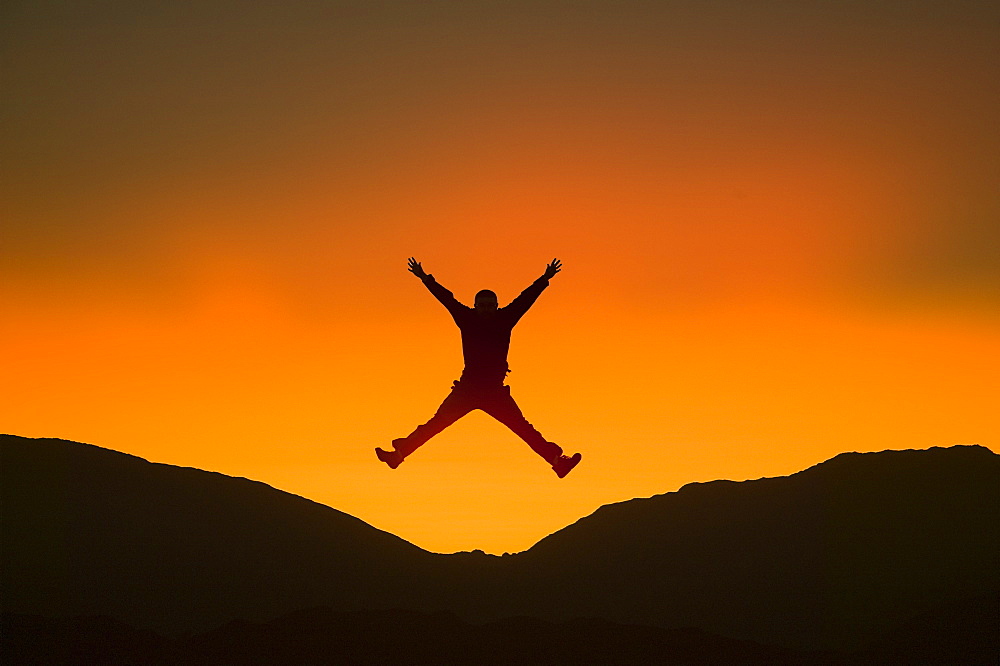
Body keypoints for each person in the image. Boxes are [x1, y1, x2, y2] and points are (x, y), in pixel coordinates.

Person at [376, 258, 582, 478]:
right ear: (475, 306)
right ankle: (397, 456)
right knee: (435, 424)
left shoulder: (505, 318)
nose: (485, 310)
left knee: (524, 429)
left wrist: (544, 279)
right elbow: (447, 299)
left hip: (494, 392)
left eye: (489, 306)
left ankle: (558, 462)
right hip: (468, 389)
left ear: (496, 305)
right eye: (481, 306)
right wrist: (425, 278)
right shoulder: (467, 318)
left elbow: (525, 300)